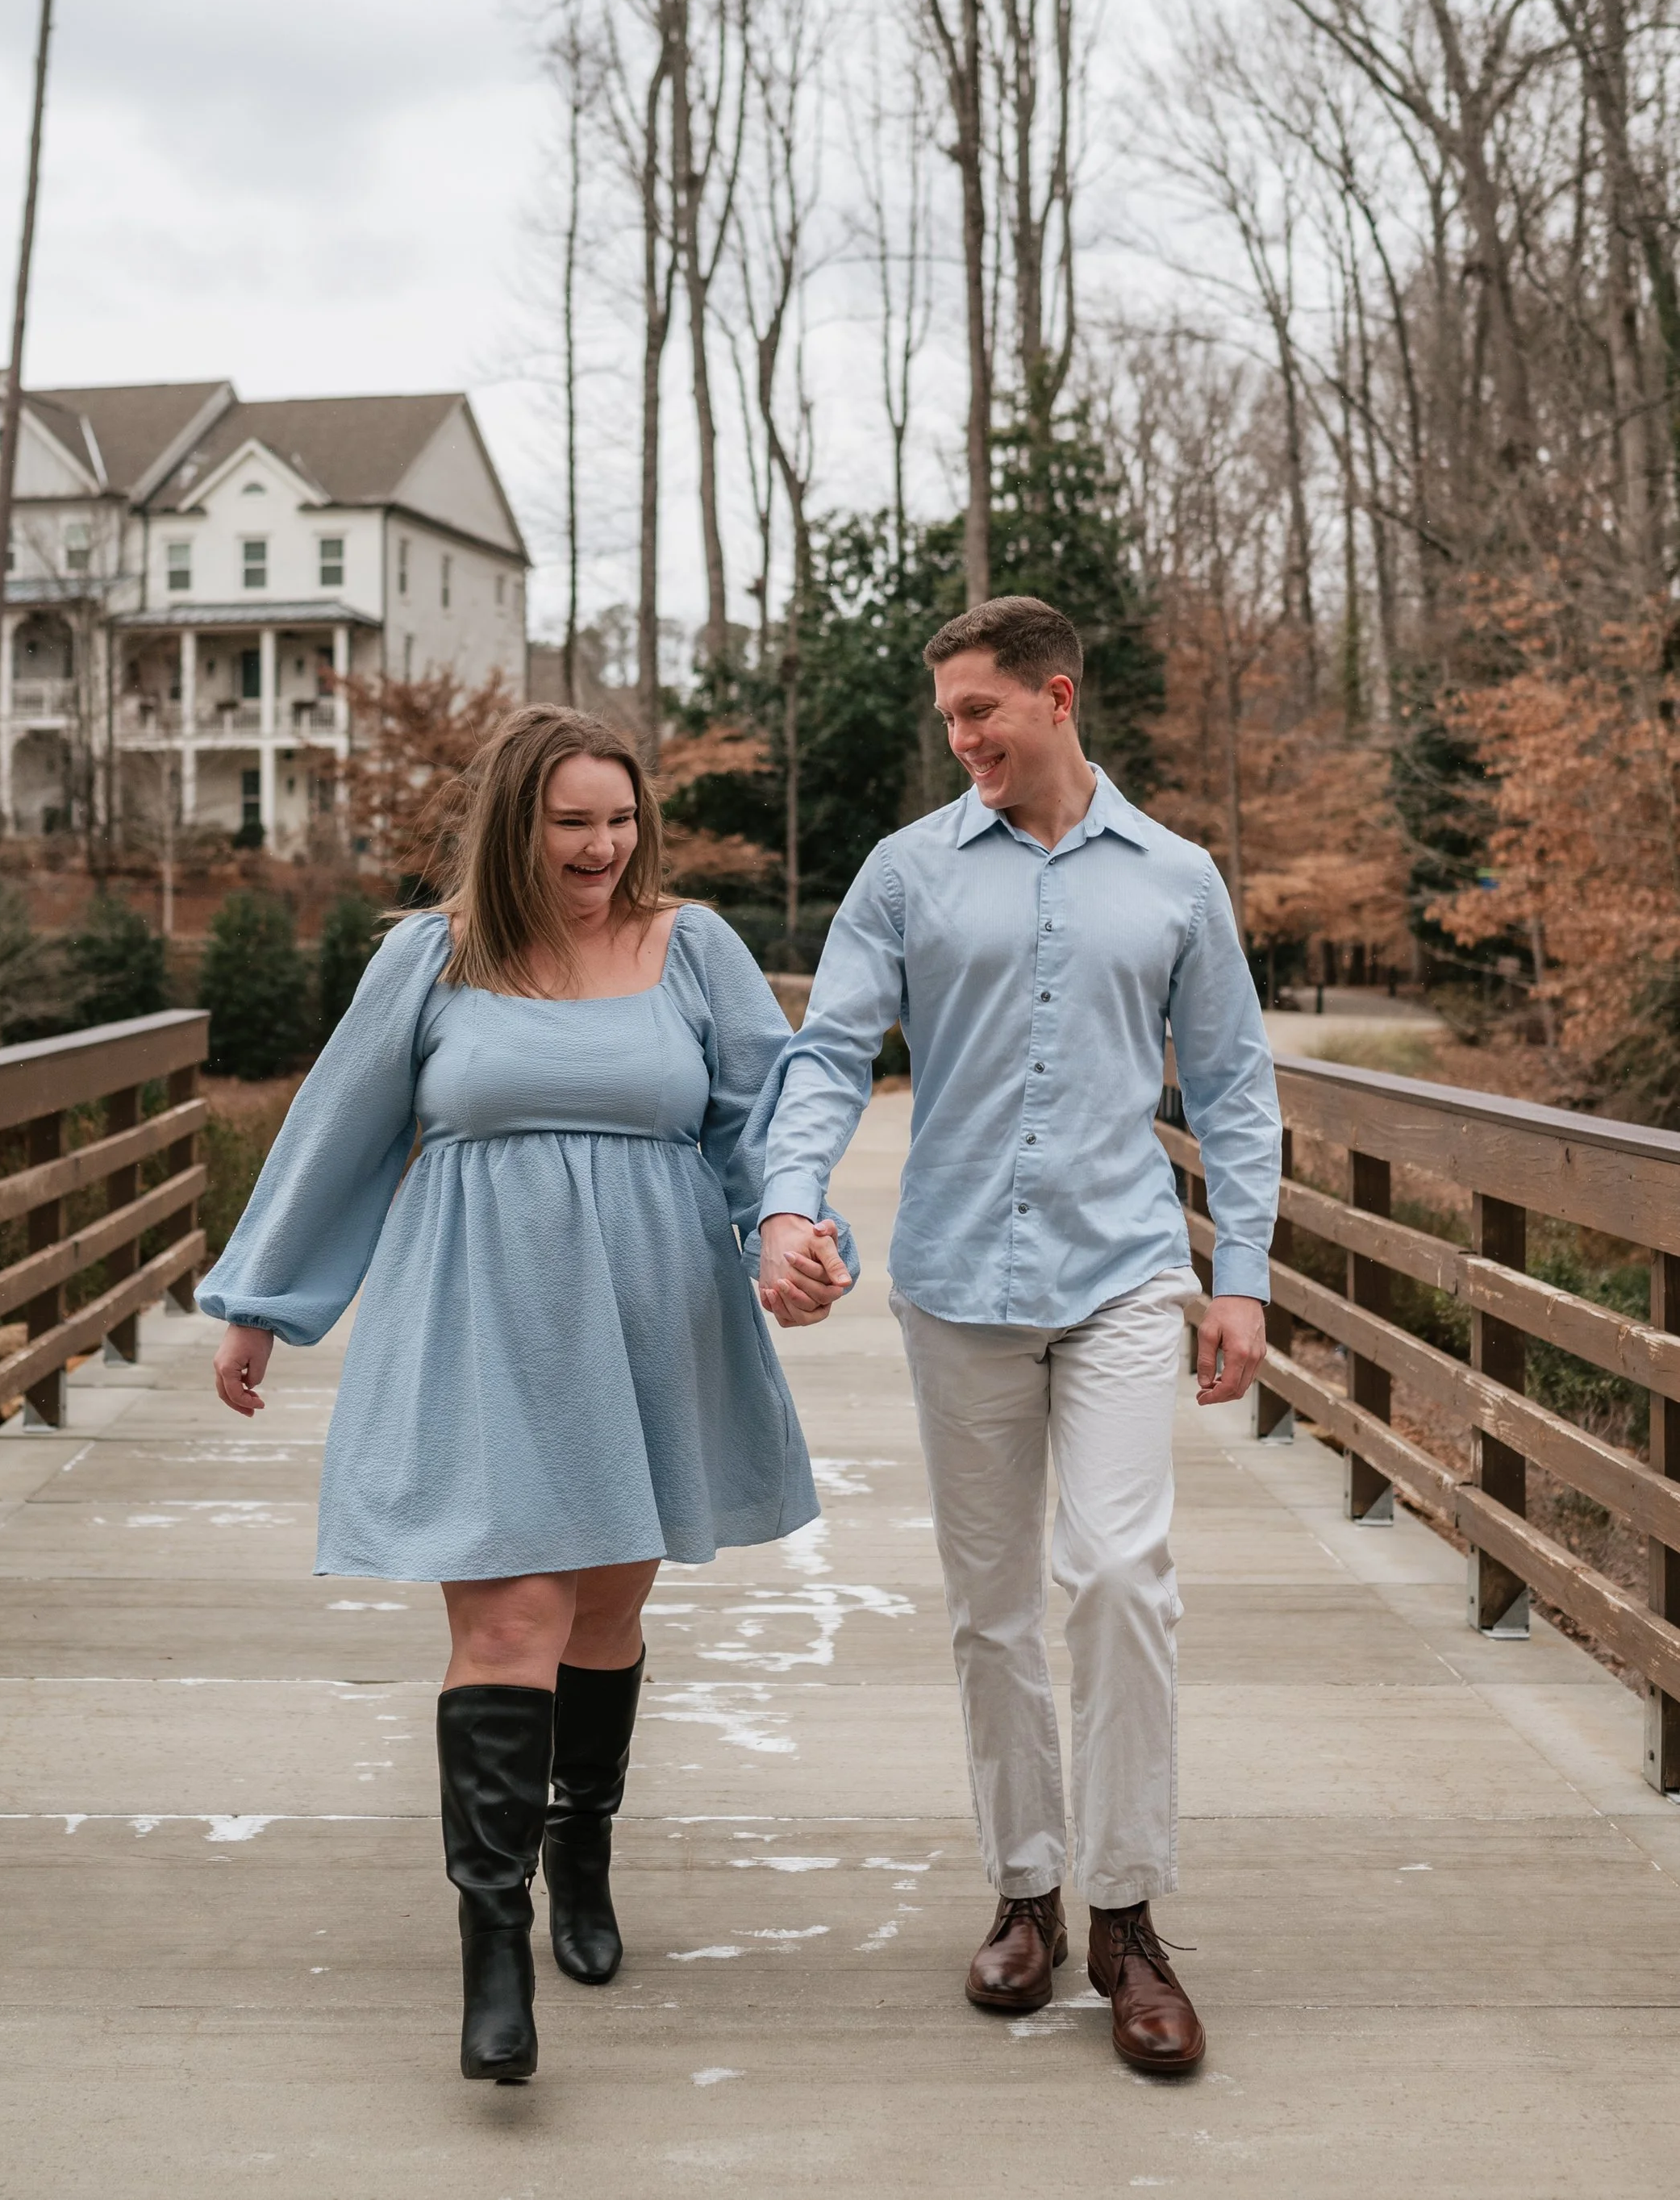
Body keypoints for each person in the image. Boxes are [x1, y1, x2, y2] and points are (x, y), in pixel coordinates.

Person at [198, 705, 853, 2086]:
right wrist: (262, 1305)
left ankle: (583, 1847)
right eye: (572, 824)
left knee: (605, 1607)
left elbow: (764, 1113)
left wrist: (789, 1230)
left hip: (649, 1323)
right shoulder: (430, 958)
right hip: (478, 1318)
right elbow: (336, 1126)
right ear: (516, 826)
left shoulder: (693, 947)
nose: (603, 847)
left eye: (620, 820)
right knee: (510, 1612)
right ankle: (491, 1948)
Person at [759, 595, 1280, 2077]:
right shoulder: (906, 873)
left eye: (981, 713)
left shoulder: (1177, 880)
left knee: (1118, 1574)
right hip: (954, 1284)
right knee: (991, 1608)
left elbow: (1234, 1090)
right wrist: (789, 1204)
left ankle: (1127, 1918)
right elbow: (828, 1053)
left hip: (1121, 1273)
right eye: (948, 723)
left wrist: (1236, 1274)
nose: (962, 741)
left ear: (1056, 698)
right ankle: (1026, 1893)